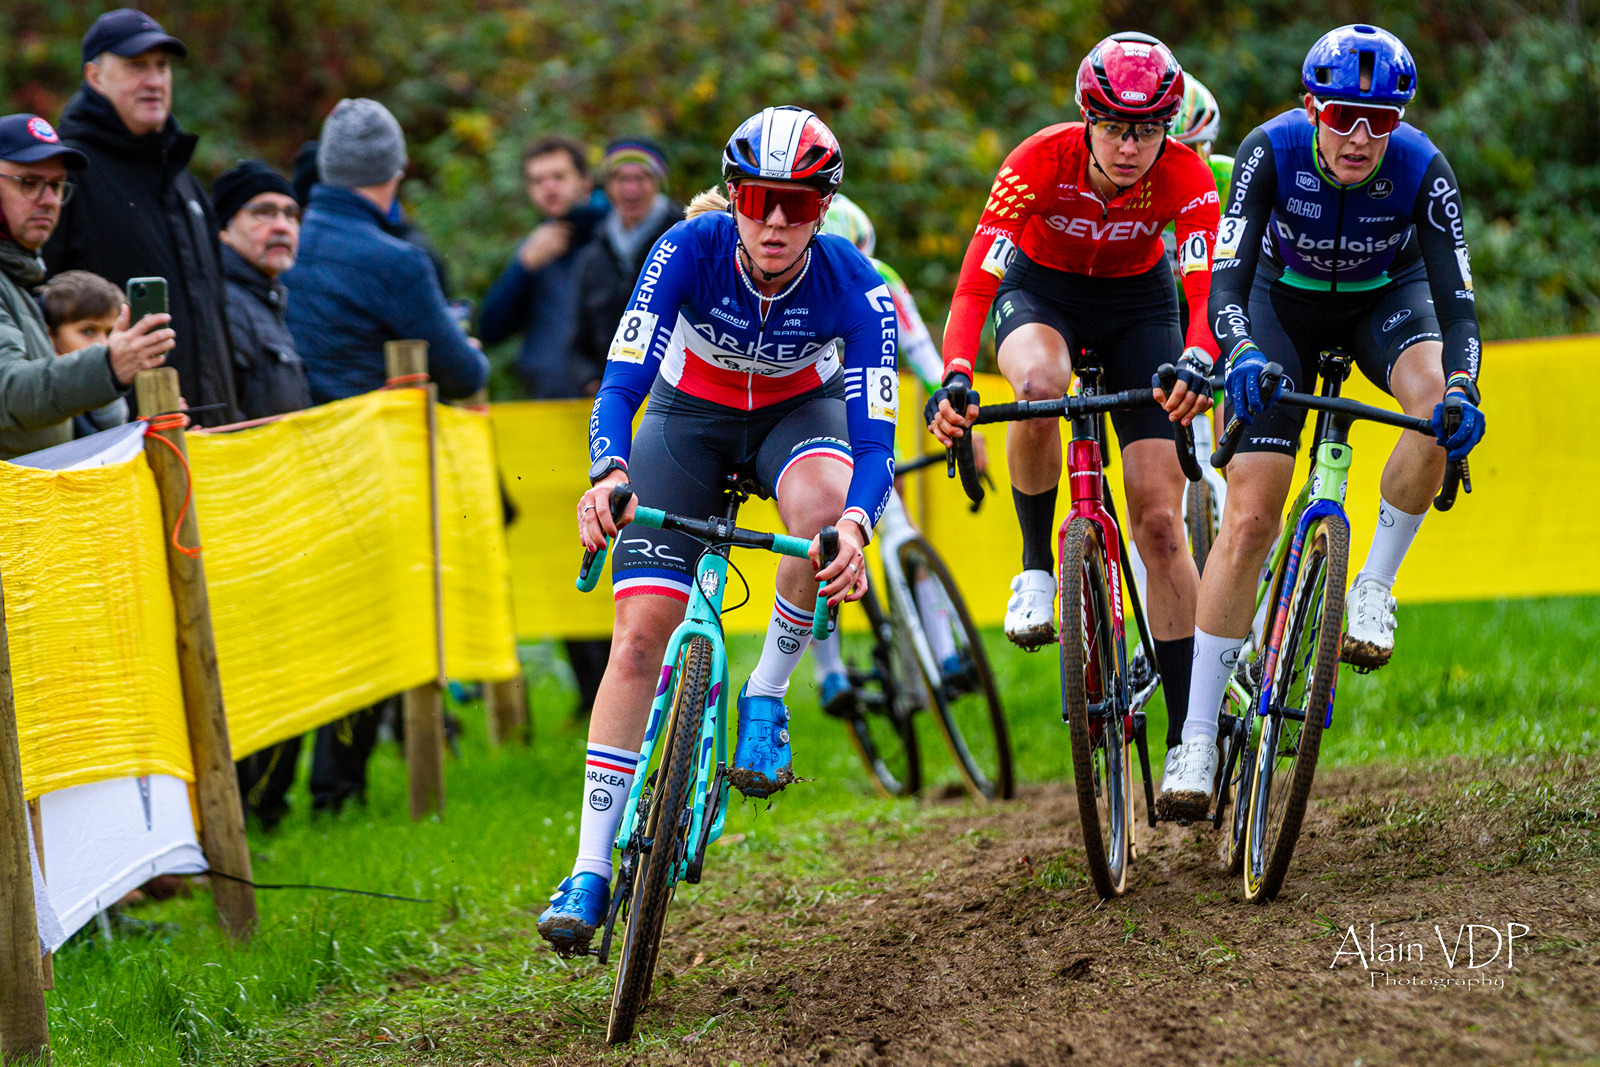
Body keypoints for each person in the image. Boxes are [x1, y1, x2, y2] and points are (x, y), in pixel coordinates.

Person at [538, 107, 896, 955]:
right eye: (760, 199)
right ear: (733, 196)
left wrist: (854, 522)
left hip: (793, 419)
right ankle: (589, 868)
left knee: (821, 506)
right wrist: (608, 472)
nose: (776, 221)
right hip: (685, 419)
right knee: (637, 640)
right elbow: (622, 382)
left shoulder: (857, 285)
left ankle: (766, 692)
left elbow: (877, 439)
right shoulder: (685, 249)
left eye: (800, 205)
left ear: (823, 209)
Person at [1160, 24, 1487, 818]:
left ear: (1401, 120)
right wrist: (1237, 353)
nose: (1361, 136)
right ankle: (1196, 734)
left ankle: (1373, 585)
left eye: (1382, 119)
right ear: (1313, 108)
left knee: (1434, 404)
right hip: (1281, 306)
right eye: (1343, 115)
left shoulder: (1423, 169)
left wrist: (1465, 389)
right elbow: (1226, 287)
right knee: (1249, 516)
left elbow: (1460, 306)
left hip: (1386, 297)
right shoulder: (1268, 152)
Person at [927, 33, 1220, 745]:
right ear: (1088, 120)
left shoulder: (1185, 176)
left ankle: (1191, 734)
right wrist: (957, 374)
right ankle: (1035, 569)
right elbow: (975, 282)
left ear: (1167, 128)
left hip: (1138, 307)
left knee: (1158, 521)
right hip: (1043, 294)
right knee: (1036, 384)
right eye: (1115, 128)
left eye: (1147, 130)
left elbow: (1207, 291)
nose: (1129, 147)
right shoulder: (1036, 162)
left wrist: (1199, 359)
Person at [802, 193, 977, 710]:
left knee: (882, 537)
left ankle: (935, 656)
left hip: (862, 422)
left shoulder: (878, 278)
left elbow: (921, 348)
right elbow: (920, 350)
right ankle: (836, 670)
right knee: (827, 543)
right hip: (814, 427)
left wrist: (961, 407)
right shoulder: (815, 276)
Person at [41, 9, 240, 426]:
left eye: (161, 66)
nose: (154, 80)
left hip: (205, 437)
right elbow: (37, 318)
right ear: (95, 77)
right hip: (115, 447)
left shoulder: (186, 183)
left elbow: (215, 319)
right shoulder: (65, 176)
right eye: (136, 65)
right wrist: (103, 419)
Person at [282, 98, 489, 405]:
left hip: (289, 441)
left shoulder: (281, 246)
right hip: (369, 445)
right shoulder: (398, 263)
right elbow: (463, 376)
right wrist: (470, 353)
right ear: (395, 172)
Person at [0, 112, 172, 461]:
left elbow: (41, 429)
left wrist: (138, 434)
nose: (47, 199)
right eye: (29, 183)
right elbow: (10, 395)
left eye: (57, 185)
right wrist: (109, 365)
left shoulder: (21, 280)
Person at [479, 135, 609, 398]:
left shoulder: (613, 239)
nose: (548, 187)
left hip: (609, 400)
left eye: (559, 177)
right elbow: (490, 329)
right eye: (538, 181)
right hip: (546, 403)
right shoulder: (535, 249)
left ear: (585, 182)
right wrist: (523, 266)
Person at [213, 159, 312, 420]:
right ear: (224, 229)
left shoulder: (265, 296)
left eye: (291, 214)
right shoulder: (223, 301)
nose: (282, 226)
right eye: (264, 212)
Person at [37, 270, 130, 437]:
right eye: (88, 331)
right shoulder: (37, 390)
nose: (103, 344)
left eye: (110, 332)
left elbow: (114, 428)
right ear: (50, 334)